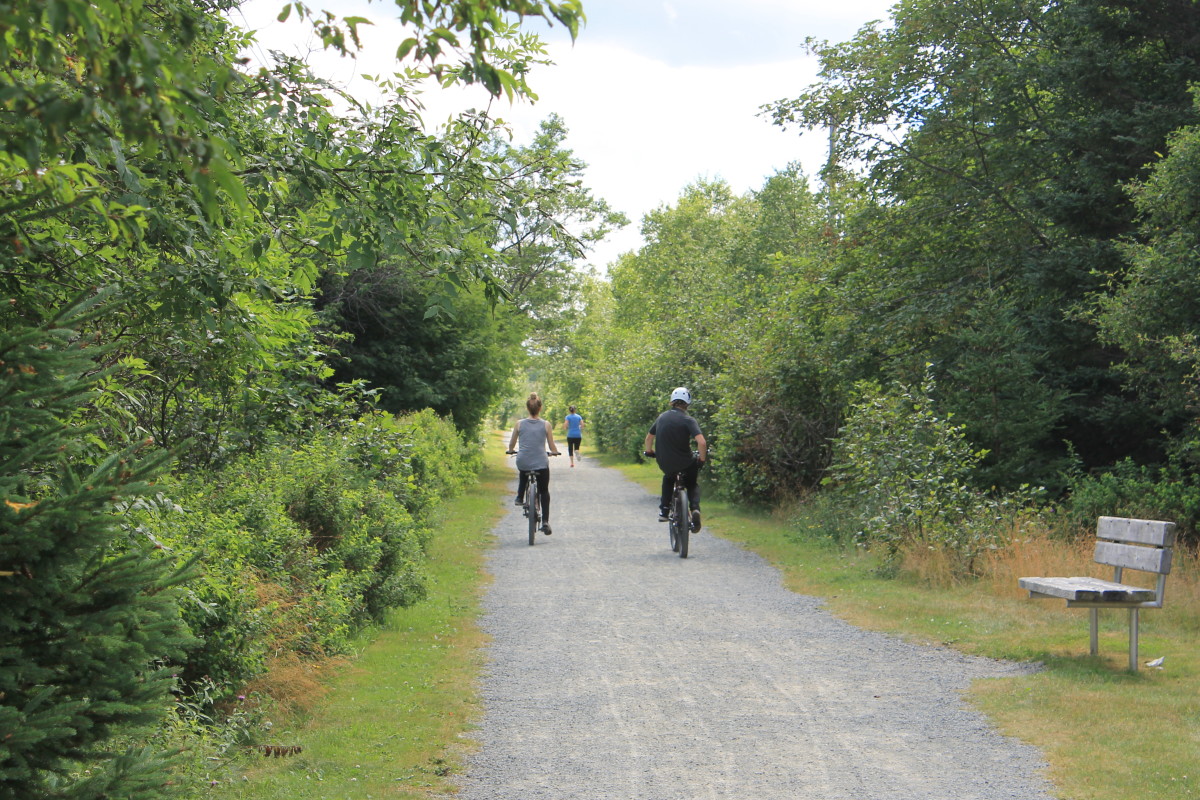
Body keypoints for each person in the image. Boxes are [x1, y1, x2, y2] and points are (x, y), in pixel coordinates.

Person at [643, 387, 707, 532]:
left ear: (672, 401)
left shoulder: (661, 417)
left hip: (665, 462)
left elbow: (649, 438)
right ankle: (695, 509)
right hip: (686, 462)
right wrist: (701, 460)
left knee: (668, 478)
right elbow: (702, 443)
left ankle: (664, 510)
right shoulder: (688, 420)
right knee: (691, 483)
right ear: (687, 403)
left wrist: (649, 451)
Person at [507, 392, 560, 535]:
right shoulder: (546, 424)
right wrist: (555, 452)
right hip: (541, 462)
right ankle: (545, 522)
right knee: (544, 491)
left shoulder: (519, 424)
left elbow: (512, 443)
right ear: (540, 408)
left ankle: (519, 496)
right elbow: (551, 445)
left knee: (524, 470)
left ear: (527, 408)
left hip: (523, 460)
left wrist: (511, 450)